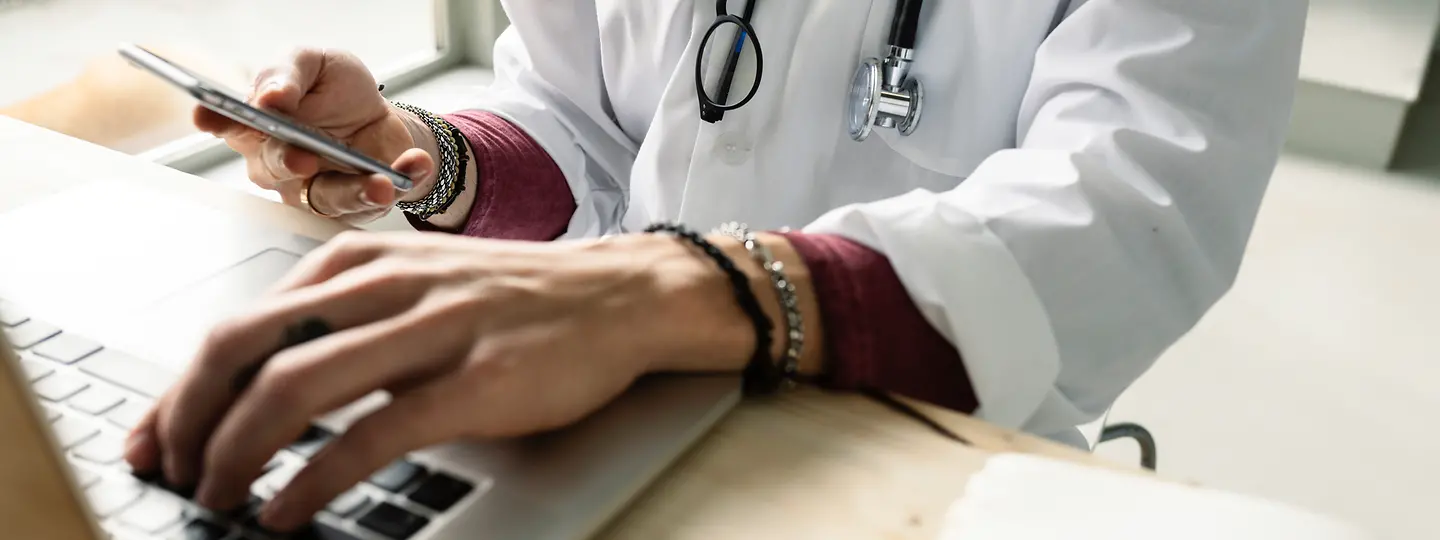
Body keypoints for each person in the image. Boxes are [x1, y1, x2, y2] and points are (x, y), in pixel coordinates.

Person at [123, 0, 1308, 532]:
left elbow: (1132, 206)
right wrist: (422, 156)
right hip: (614, 391)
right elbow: (583, 115)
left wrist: (706, 289)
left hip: (913, 438)